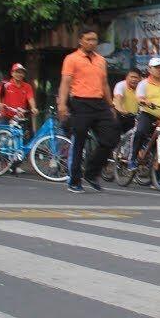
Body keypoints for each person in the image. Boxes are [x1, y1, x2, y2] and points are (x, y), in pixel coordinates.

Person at [57, 26, 119, 193]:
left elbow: (105, 84)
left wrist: (111, 104)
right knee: (79, 141)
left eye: (95, 40)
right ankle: (74, 181)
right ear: (80, 41)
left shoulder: (100, 60)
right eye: (88, 40)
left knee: (110, 139)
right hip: (80, 103)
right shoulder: (72, 59)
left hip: (99, 104)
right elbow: (65, 82)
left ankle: (91, 173)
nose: (92, 43)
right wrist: (62, 104)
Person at [0, 63, 38, 142]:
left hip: (20, 117)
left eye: (21, 72)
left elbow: (30, 98)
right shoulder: (5, 84)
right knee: (1, 141)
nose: (19, 74)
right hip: (6, 115)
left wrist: (33, 108)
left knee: (21, 140)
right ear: (12, 73)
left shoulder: (27, 86)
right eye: (17, 72)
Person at [113, 68, 142, 140]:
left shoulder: (141, 88)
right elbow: (118, 98)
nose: (134, 79)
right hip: (119, 114)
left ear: (140, 79)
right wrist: (121, 109)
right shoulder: (121, 85)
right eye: (131, 77)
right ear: (126, 78)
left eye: (136, 77)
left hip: (133, 116)